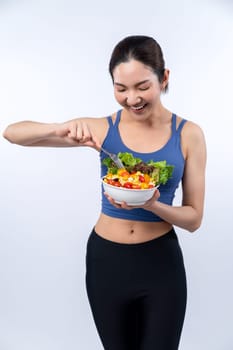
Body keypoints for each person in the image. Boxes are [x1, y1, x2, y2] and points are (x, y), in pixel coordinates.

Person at [3, 35, 206, 350]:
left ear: (164, 78)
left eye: (142, 87)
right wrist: (56, 129)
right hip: (106, 261)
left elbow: (193, 219)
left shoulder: (188, 134)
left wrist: (154, 205)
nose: (132, 99)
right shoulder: (101, 130)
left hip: (160, 264)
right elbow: (12, 133)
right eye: (121, 88)